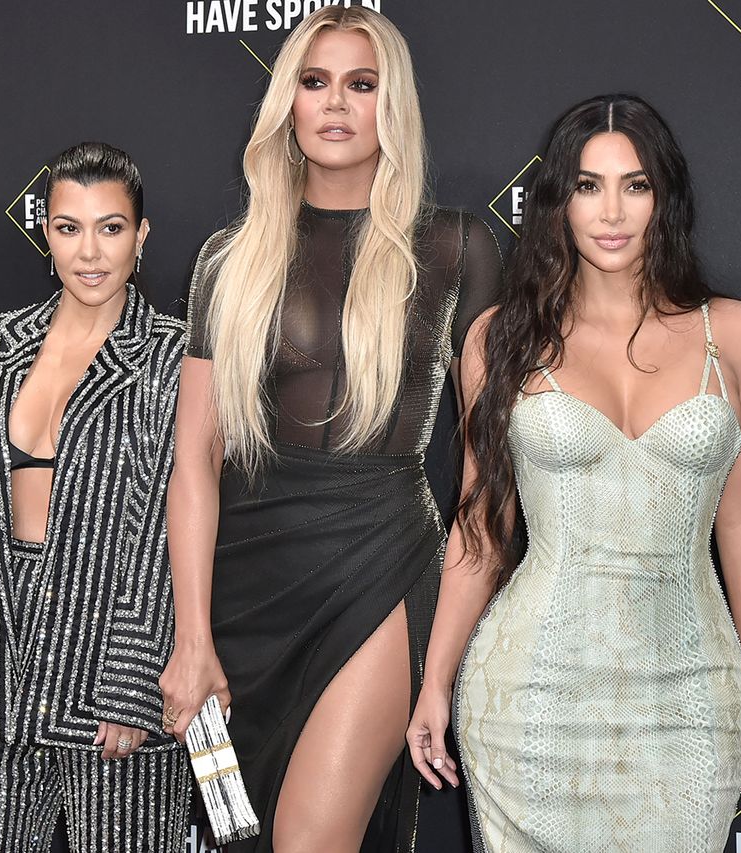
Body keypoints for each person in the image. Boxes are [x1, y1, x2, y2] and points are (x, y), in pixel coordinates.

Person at [158, 7, 502, 851]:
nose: (336, 104)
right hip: (245, 585)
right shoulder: (226, 260)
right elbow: (195, 462)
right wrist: (192, 639)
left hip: (378, 566)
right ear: (288, 103)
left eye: (361, 83)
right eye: (314, 83)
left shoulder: (457, 248)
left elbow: (488, 479)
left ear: (394, 105)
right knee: (240, 834)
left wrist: (446, 663)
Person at [406, 94, 741, 852]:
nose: (611, 210)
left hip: (692, 693)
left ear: (664, 198)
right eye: (587, 185)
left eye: (635, 184)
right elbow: (481, 520)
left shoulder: (734, 334)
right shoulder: (499, 339)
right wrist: (435, 681)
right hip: (532, 695)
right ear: (557, 203)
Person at [0, 142, 191, 853]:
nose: (89, 252)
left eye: (111, 227)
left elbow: (168, 527)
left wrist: (134, 679)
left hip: (112, 650)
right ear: (45, 232)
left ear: (142, 234)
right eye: (69, 227)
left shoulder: (175, 355)